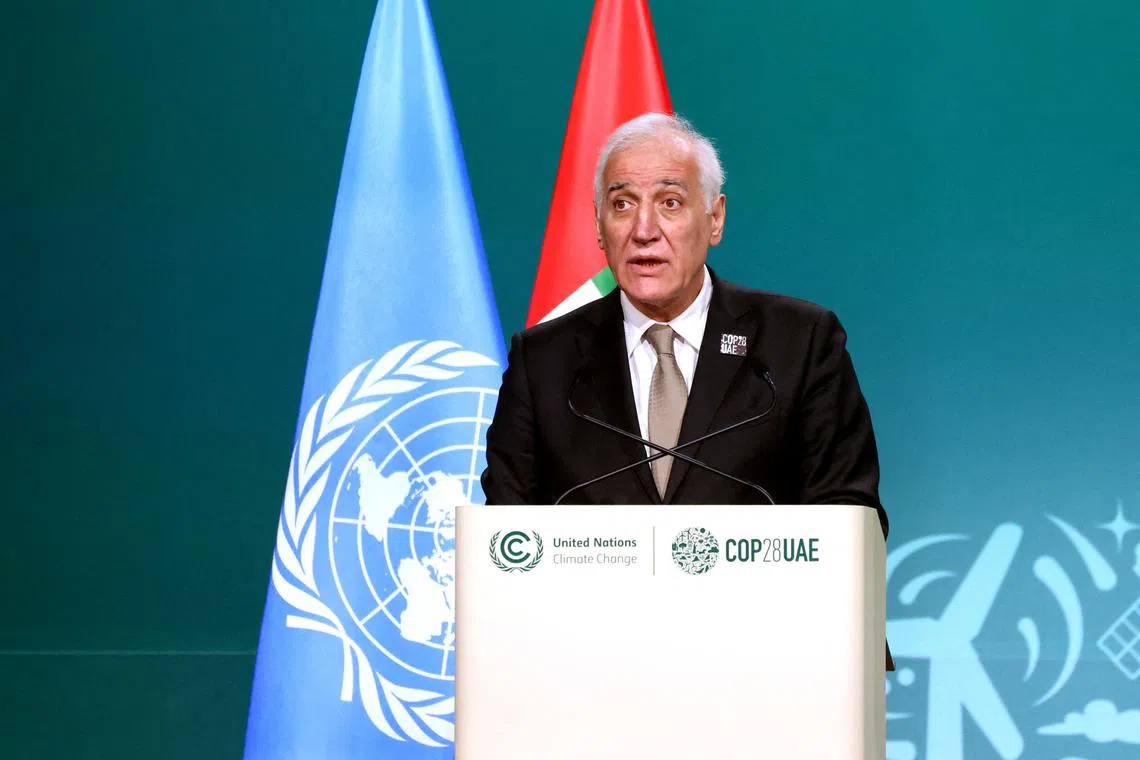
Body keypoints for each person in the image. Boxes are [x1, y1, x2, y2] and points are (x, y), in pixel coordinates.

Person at [480, 112, 887, 538]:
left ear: (715, 218)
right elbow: (505, 539)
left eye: (669, 203)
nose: (643, 230)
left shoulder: (799, 343)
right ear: (599, 226)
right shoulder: (543, 362)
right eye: (622, 204)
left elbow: (850, 517)